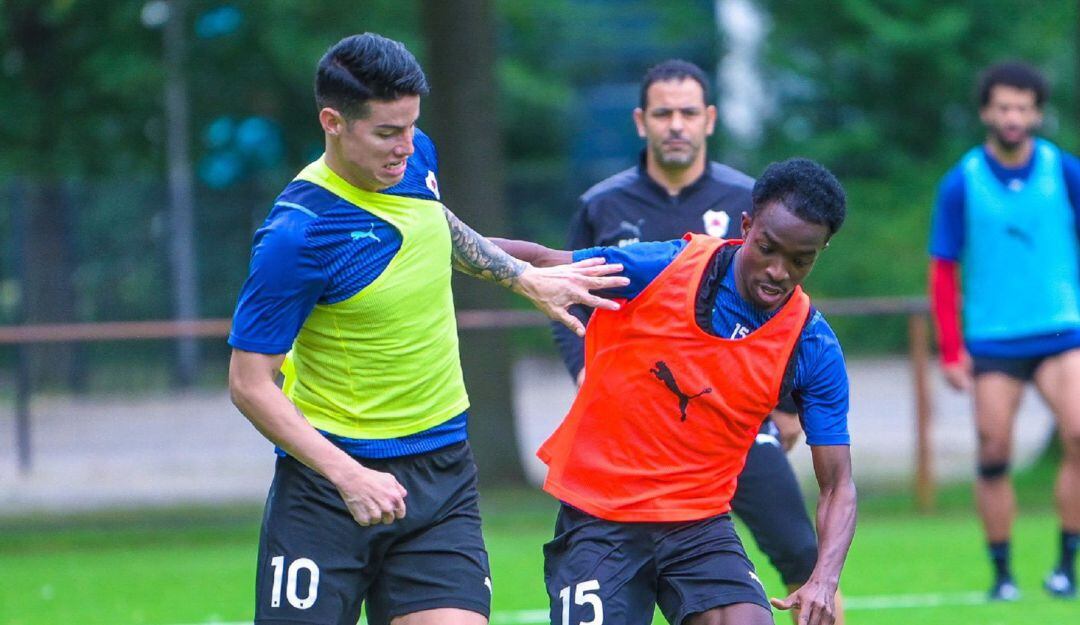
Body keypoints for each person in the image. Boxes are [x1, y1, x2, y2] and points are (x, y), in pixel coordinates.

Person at [226, 33, 629, 625]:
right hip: (328, 486)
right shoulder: (298, 235)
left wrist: (524, 277)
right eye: (387, 132)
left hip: (441, 473)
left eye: (413, 126)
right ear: (333, 123)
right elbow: (248, 383)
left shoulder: (414, 159)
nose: (406, 147)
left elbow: (435, 227)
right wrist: (349, 476)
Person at [497, 158, 856, 625]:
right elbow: (546, 259)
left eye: (799, 260)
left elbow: (838, 485)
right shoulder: (665, 267)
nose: (778, 271)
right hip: (600, 517)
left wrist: (824, 579)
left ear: (821, 251)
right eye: (767, 249)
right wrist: (438, 235)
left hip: (698, 526)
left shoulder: (812, 345)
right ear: (746, 226)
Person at [548, 59, 844, 623]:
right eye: (664, 113)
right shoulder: (604, 204)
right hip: (632, 434)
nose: (677, 125)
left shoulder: (756, 197)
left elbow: (778, 331)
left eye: (688, 112)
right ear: (642, 121)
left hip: (733, 430)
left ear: (709, 119)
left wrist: (787, 406)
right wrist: (583, 368)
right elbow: (563, 287)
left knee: (801, 551)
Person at [928, 61, 1080, 601]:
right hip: (993, 341)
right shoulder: (961, 182)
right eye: (1003, 107)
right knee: (993, 453)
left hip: (1061, 332)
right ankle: (1003, 575)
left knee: (1079, 435)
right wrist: (951, 350)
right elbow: (942, 269)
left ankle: (1066, 566)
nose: (1013, 116)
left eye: (1023, 107)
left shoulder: (1064, 172)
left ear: (1037, 114)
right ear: (986, 113)